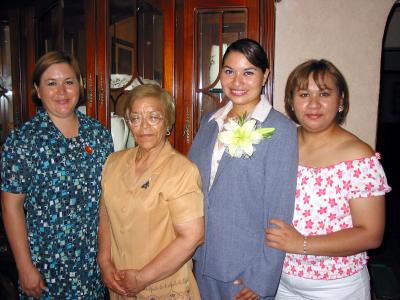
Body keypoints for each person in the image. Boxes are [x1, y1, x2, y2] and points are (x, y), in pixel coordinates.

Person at [265, 59, 391, 300]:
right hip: (279, 280)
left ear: (340, 101)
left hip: (337, 288)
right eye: (303, 94)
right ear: (291, 101)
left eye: (324, 93)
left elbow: (371, 234)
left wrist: (301, 243)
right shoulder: (280, 144)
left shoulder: (359, 157)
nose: (313, 104)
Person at [189, 38, 298, 299]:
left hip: (245, 271)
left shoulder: (280, 130)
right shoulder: (209, 122)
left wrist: (261, 278)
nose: (237, 82)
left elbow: (279, 211)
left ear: (265, 76)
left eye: (248, 72)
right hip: (202, 260)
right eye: (229, 71)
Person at [0, 51, 114, 298]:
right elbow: (11, 207)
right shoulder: (22, 141)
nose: (62, 91)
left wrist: (106, 259)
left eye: (69, 82)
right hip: (44, 267)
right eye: (51, 83)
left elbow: (107, 201)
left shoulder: (99, 135)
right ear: (38, 91)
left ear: (80, 86)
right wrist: (24, 267)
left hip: (92, 264)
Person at [98, 84, 204, 299]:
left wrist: (142, 278)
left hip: (163, 287)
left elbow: (192, 236)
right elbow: (106, 213)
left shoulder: (182, 171)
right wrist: (104, 261)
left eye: (154, 117)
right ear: (128, 123)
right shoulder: (113, 162)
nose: (144, 126)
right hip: (119, 284)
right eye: (136, 118)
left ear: (168, 122)